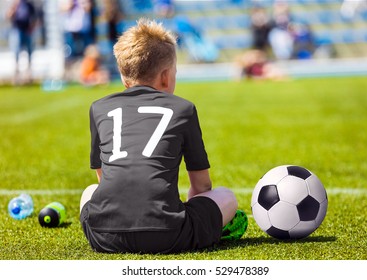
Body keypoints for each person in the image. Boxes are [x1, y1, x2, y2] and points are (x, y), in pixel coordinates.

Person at [79, 19, 248, 254]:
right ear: (166, 76)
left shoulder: (98, 108)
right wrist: (199, 217)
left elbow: (102, 180)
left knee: (88, 191)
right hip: (169, 235)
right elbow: (201, 186)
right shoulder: (183, 109)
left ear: (123, 76)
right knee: (226, 197)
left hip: (104, 236)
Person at [7, 0, 37, 85]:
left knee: (29, 53)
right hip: (17, 30)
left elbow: (34, 18)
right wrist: (14, 8)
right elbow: (9, 16)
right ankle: (16, 76)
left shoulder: (29, 5)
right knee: (16, 53)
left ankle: (29, 75)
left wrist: (31, 28)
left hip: (27, 31)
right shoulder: (15, 4)